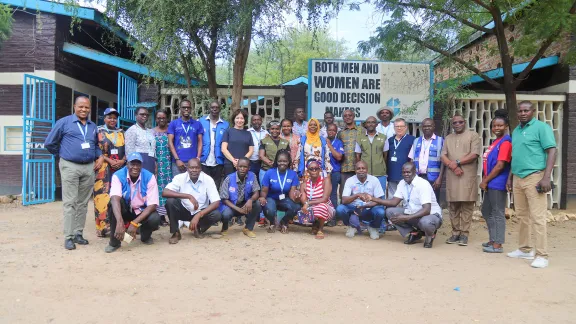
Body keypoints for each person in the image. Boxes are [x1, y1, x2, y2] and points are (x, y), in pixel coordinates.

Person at [45, 96, 102, 250]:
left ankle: (78, 233)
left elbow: (95, 145)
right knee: (70, 202)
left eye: (87, 107)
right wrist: (63, 155)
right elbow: (49, 143)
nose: (84, 110)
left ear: (90, 109)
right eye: (81, 107)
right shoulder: (64, 123)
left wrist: (100, 156)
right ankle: (68, 236)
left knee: (83, 203)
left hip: (88, 167)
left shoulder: (92, 126)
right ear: (74, 107)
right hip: (70, 166)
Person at [506, 101, 557, 268]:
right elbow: (516, 155)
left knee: (538, 217)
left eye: (526, 110)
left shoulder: (541, 128)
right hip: (518, 178)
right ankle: (525, 249)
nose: (522, 113)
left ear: (532, 111)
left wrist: (546, 177)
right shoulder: (516, 130)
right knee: (521, 216)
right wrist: (510, 177)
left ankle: (542, 254)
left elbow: (552, 150)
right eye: (520, 110)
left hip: (535, 176)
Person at [374, 162, 443, 248]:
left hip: (431, 215)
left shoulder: (423, 184)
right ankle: (414, 233)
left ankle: (430, 235)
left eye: (408, 172)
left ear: (415, 171)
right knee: (390, 212)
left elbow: (427, 210)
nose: (406, 174)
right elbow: (393, 202)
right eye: (404, 172)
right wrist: (373, 199)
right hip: (414, 213)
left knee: (425, 222)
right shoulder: (402, 183)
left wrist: (406, 217)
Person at [104, 152, 161, 253]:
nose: (135, 167)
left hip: (141, 211)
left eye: (138, 164)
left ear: (141, 165)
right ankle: (114, 242)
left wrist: (134, 223)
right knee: (113, 205)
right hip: (125, 210)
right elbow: (114, 198)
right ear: (127, 165)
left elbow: (152, 205)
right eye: (132, 164)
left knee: (155, 218)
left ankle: (145, 236)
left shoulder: (149, 177)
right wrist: (120, 222)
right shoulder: (118, 175)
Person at [441, 113, 481, 246]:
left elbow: (474, 154)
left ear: (465, 122)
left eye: (460, 122)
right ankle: (455, 233)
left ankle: (464, 234)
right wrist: (453, 166)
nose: (457, 124)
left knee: (467, 205)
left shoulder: (473, 135)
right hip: (453, 175)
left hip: (467, 175)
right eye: (455, 123)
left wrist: (456, 162)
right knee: (453, 205)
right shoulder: (448, 138)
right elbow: (443, 155)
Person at [163, 158, 222, 243]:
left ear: (201, 169)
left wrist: (199, 215)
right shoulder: (180, 178)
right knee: (170, 201)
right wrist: (188, 196)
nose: (194, 170)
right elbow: (165, 192)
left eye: (197, 168)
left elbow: (216, 202)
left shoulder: (208, 179)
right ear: (187, 168)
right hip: (184, 210)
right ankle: (175, 233)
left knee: (216, 214)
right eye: (191, 168)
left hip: (200, 212)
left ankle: (198, 228)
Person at [480, 110, 512, 253]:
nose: (496, 128)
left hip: (497, 183)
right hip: (490, 182)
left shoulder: (506, 142)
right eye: (494, 126)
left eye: (500, 126)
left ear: (506, 126)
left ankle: (498, 244)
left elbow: (500, 165)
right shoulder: (496, 142)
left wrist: (485, 180)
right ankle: (493, 239)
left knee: (498, 212)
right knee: (486, 210)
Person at [94, 107, 126, 237]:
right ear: (104, 118)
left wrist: (123, 160)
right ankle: (102, 227)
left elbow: (127, 149)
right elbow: (95, 148)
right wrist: (108, 160)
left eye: (114, 118)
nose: (112, 120)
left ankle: (117, 223)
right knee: (102, 195)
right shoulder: (98, 131)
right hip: (104, 168)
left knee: (118, 195)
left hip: (119, 168)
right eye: (109, 117)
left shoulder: (121, 132)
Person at [335, 160, 386, 240]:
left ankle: (372, 227)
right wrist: (357, 195)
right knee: (340, 209)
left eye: (363, 168)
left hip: (369, 208)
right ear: (355, 170)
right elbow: (344, 200)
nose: (361, 170)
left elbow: (379, 199)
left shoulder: (374, 180)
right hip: (354, 208)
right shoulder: (350, 180)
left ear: (367, 170)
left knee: (380, 211)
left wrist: (366, 205)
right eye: (358, 168)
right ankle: (352, 226)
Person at [259, 149, 301, 234]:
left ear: (289, 161)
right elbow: (264, 190)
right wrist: (263, 198)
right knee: (268, 208)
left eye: (285, 161)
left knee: (296, 207)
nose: (282, 163)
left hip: (284, 199)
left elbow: (292, 193)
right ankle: (272, 222)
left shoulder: (293, 174)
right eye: (280, 161)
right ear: (276, 161)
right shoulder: (269, 173)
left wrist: (296, 197)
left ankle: (284, 221)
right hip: (271, 198)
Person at [219, 157, 261, 238]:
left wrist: (250, 200)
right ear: (236, 167)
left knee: (257, 204)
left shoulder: (252, 176)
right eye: (240, 166)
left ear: (249, 168)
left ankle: (248, 229)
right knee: (226, 214)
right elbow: (224, 199)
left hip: (245, 204)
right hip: (231, 205)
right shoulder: (229, 178)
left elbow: (256, 192)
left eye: (245, 167)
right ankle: (224, 227)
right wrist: (237, 209)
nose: (242, 169)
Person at [408, 118, 444, 200]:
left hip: (433, 178)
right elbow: (412, 160)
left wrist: (440, 178)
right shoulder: (416, 141)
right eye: (424, 126)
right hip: (418, 177)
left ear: (434, 127)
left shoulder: (440, 141)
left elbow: (443, 162)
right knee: (419, 200)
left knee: (433, 200)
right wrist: (412, 177)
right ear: (421, 128)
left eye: (429, 126)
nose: (427, 128)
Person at [298, 159, 335, 239]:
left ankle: (320, 229)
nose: (314, 170)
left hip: (327, 209)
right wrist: (306, 204)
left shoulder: (325, 181)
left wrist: (308, 203)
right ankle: (315, 224)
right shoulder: (304, 184)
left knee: (321, 206)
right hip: (311, 207)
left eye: (316, 168)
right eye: (311, 169)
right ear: (308, 171)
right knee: (302, 211)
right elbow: (304, 200)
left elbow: (324, 199)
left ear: (320, 170)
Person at [168, 99, 204, 175]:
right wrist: (177, 159)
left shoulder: (197, 124)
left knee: (192, 185)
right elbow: (170, 142)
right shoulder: (173, 123)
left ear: (191, 109)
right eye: (184, 107)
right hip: (178, 162)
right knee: (177, 185)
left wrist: (198, 158)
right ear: (180, 109)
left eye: (188, 107)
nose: (186, 109)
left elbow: (200, 142)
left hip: (193, 163)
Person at [355, 116, 389, 193]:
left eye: (373, 122)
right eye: (368, 122)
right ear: (365, 125)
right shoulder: (359, 138)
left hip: (380, 173)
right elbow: (358, 156)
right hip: (365, 173)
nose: (370, 124)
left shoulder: (383, 137)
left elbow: (385, 155)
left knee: (380, 196)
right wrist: (360, 170)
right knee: (366, 196)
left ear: (377, 124)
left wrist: (382, 166)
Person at [199, 101, 229, 188]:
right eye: (212, 107)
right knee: (203, 186)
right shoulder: (201, 121)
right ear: (209, 108)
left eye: (217, 107)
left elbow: (227, 143)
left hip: (218, 162)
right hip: (203, 161)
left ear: (220, 109)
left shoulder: (225, 124)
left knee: (216, 186)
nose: (214, 109)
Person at [386, 118, 415, 198]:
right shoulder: (389, 140)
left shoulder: (412, 139)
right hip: (392, 174)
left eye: (401, 126)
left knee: (405, 196)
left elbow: (413, 158)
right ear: (394, 128)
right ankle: (392, 210)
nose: (399, 128)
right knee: (392, 197)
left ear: (406, 127)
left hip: (406, 174)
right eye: (397, 126)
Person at [153, 109, 172, 226]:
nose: (161, 120)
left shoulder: (171, 131)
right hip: (157, 165)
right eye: (159, 118)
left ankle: (171, 214)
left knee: (169, 189)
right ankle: (160, 216)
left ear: (167, 119)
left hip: (169, 165)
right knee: (158, 190)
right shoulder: (151, 132)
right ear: (156, 119)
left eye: (163, 118)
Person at [337, 109, 362, 197]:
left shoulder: (361, 130)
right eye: (345, 116)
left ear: (354, 116)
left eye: (350, 115)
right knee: (345, 191)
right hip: (345, 166)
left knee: (358, 190)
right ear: (343, 118)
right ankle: (343, 209)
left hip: (358, 166)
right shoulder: (340, 133)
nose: (348, 117)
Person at [222, 109, 254, 176]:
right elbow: (224, 149)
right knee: (230, 185)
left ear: (245, 120)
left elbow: (251, 150)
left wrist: (241, 162)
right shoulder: (228, 132)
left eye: (242, 118)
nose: (239, 120)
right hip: (229, 164)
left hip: (244, 166)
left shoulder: (248, 133)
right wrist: (234, 161)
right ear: (234, 119)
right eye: (237, 118)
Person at [125, 107, 156, 173]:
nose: (145, 116)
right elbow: (129, 151)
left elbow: (153, 149)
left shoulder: (150, 131)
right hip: (138, 162)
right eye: (142, 114)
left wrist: (155, 163)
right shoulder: (132, 130)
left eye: (147, 115)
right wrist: (132, 166)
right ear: (136, 115)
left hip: (150, 161)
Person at [326, 123, 344, 218]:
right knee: (323, 193)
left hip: (335, 172)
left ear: (336, 132)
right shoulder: (322, 141)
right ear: (326, 131)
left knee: (333, 194)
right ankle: (325, 216)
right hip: (324, 172)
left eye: (334, 130)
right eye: (330, 130)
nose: (331, 132)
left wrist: (329, 145)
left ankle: (334, 217)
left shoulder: (338, 142)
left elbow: (339, 157)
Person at [248, 114, 268, 179]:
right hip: (251, 161)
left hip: (262, 162)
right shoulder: (247, 132)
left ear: (261, 121)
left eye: (258, 120)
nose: (256, 121)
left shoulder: (266, 133)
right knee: (251, 180)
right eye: (254, 120)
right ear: (251, 122)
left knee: (261, 180)